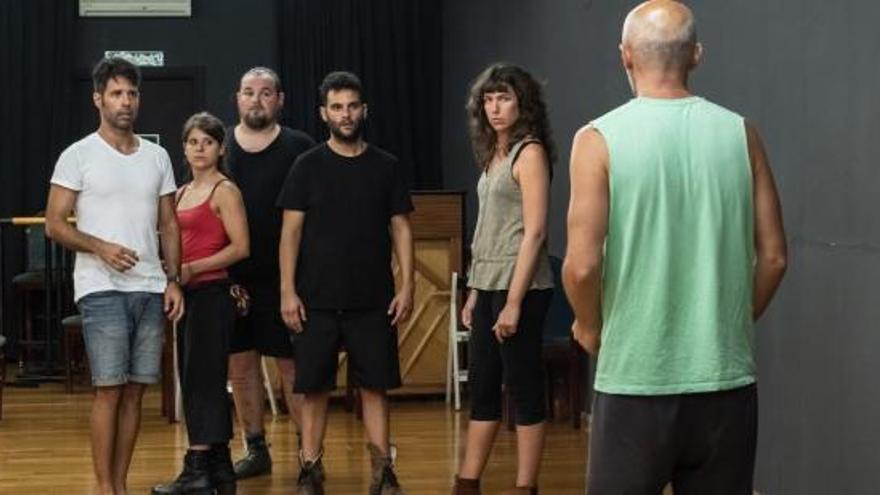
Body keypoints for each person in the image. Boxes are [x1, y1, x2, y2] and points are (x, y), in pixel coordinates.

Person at [562, 2, 788, 494]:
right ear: (697, 56)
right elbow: (773, 256)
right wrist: (728, 322)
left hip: (634, 381)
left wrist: (589, 325)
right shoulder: (741, 133)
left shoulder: (598, 139)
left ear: (625, 57)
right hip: (725, 383)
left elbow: (581, 266)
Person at [45, 56, 185, 495]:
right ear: (98, 99)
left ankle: (120, 485)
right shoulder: (78, 155)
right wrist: (101, 247)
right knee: (109, 388)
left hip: (149, 286)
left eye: (132, 94)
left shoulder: (158, 156)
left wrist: (174, 279)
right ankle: (105, 488)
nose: (125, 102)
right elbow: (54, 223)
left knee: (135, 392)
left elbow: (170, 224)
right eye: (116, 94)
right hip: (100, 288)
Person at [277, 71, 413, 495]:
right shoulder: (306, 165)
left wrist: (407, 285)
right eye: (337, 107)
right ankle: (310, 469)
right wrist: (287, 290)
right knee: (314, 389)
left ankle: (383, 471)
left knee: (375, 387)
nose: (346, 114)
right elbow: (290, 233)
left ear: (364, 110)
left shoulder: (386, 166)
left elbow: (401, 229)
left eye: (352, 105)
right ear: (324, 114)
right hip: (315, 298)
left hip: (372, 298)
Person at [451, 63, 556, 495]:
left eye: (504, 98)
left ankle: (525, 487)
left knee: (524, 387)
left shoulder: (529, 152)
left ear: (523, 102)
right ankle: (467, 483)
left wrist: (513, 302)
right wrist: (476, 291)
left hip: (524, 287)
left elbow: (534, 231)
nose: (495, 108)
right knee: (483, 388)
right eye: (488, 100)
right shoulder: (493, 154)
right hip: (489, 282)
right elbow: (488, 227)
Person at [152, 112, 249, 494]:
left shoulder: (225, 190)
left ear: (221, 148)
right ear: (184, 147)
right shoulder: (179, 192)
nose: (200, 149)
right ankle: (219, 467)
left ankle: (196, 468)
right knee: (196, 376)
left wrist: (193, 268)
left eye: (208, 142)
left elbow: (242, 248)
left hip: (213, 293)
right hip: (188, 293)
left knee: (202, 379)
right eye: (193, 142)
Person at [225, 66, 315, 479]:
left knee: (291, 367)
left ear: (279, 99)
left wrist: (294, 283)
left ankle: (307, 453)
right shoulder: (220, 145)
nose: (256, 100)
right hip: (233, 279)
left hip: (287, 280)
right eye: (248, 92)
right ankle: (255, 448)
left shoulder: (300, 147)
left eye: (265, 93)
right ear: (237, 98)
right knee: (241, 367)